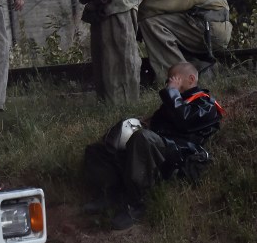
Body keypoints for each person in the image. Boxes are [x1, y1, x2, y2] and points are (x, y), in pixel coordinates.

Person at [83, 62, 224, 230]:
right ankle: (110, 193)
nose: (169, 83)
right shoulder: (173, 103)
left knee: (143, 138)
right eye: (169, 80)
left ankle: (135, 204)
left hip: (179, 152)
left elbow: (185, 121)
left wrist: (172, 92)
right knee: (97, 151)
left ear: (191, 79)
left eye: (174, 79)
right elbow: (153, 125)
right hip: (154, 145)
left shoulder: (206, 104)